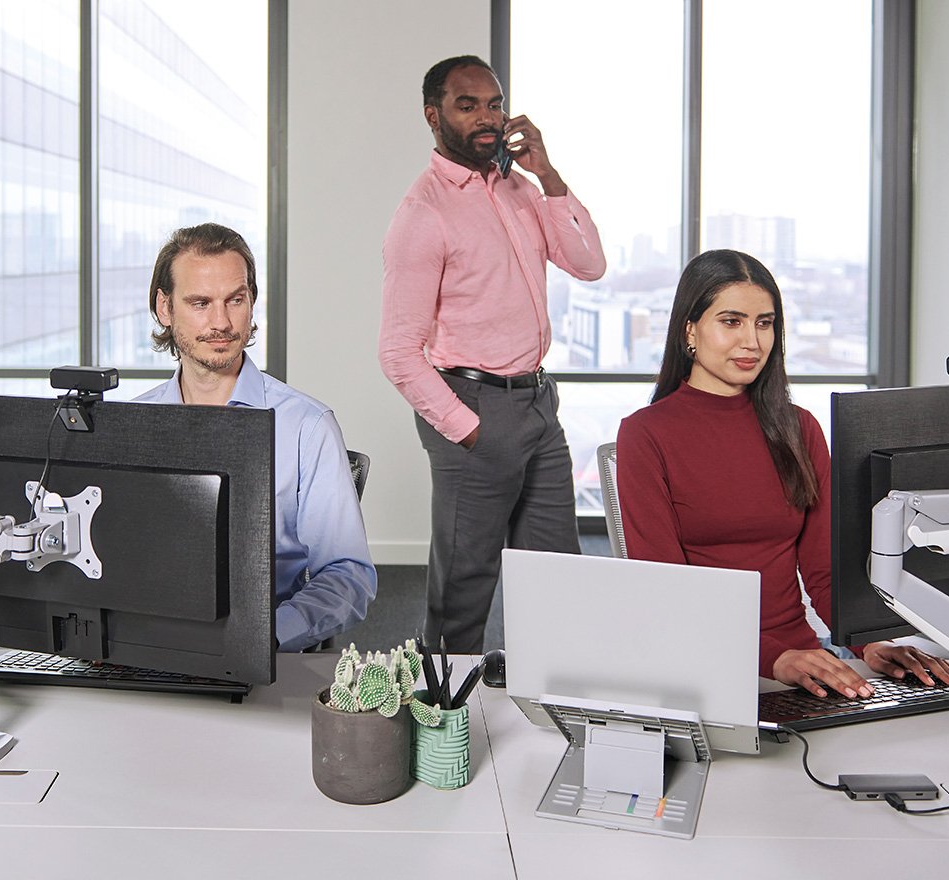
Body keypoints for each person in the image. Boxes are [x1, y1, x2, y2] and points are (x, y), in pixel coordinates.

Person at [616, 249, 949, 699]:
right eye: (731, 321)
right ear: (690, 330)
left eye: (765, 323)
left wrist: (869, 640)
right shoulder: (645, 435)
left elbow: (824, 571)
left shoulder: (799, 428)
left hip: (803, 666)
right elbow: (667, 592)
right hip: (702, 663)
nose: (752, 342)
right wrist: (773, 660)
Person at [380, 55, 606, 653]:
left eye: (494, 103)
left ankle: (557, 701)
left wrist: (549, 176)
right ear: (433, 116)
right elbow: (399, 352)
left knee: (558, 573)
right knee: (465, 585)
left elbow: (589, 264)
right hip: (473, 406)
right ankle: (444, 724)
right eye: (467, 105)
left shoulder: (521, 190)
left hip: (536, 404)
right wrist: (468, 431)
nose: (487, 117)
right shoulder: (422, 214)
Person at [138, 222, 376, 652]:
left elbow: (348, 575)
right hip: (145, 646)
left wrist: (262, 637)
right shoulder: (129, 425)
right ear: (165, 308)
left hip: (260, 653)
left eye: (236, 300)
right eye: (200, 303)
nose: (222, 322)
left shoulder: (306, 426)